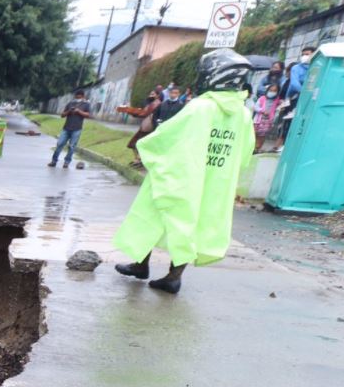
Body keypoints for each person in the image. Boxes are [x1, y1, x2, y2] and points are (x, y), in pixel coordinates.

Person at [112, 50, 255, 295]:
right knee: (193, 225)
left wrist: (146, 149)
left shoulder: (200, 107)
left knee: (153, 214)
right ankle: (173, 277)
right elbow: (245, 150)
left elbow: (168, 136)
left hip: (183, 175)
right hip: (215, 181)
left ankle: (140, 264)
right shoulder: (242, 113)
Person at [116, 90, 160, 169]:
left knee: (139, 144)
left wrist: (129, 110)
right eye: (150, 93)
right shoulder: (150, 103)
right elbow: (142, 112)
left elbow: (143, 113)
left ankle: (139, 160)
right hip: (144, 127)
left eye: (153, 94)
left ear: (157, 95)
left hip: (148, 128)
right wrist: (131, 111)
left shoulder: (156, 103)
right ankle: (138, 159)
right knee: (133, 144)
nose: (150, 95)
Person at [48, 89, 90, 168]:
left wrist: (78, 111)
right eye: (76, 96)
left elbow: (88, 115)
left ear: (83, 96)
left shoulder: (86, 104)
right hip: (66, 128)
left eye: (79, 96)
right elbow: (62, 115)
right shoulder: (70, 103)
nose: (78, 98)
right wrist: (69, 111)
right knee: (60, 144)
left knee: (72, 146)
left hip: (77, 129)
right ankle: (54, 161)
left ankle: (67, 162)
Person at [253, 83, 282, 152]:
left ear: (277, 92)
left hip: (267, 122)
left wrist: (282, 105)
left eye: (274, 91)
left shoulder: (276, 100)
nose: (272, 92)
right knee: (254, 134)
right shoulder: (262, 98)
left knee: (262, 136)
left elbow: (279, 106)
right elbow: (255, 107)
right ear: (267, 90)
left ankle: (257, 149)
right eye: (270, 90)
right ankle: (252, 147)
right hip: (258, 120)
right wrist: (262, 111)